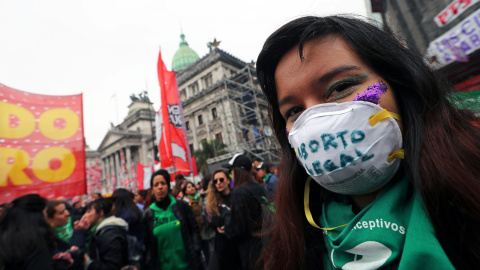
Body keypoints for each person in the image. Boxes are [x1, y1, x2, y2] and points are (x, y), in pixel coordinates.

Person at [255, 15, 480, 269]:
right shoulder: (289, 242)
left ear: (400, 82)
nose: (316, 122)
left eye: (341, 87)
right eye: (294, 111)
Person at [0, 194, 81, 270]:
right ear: (35, 217)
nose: (46, 217)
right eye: (45, 213)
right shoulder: (36, 247)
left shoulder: (9, 242)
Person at [143, 169, 204, 270]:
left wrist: (196, 250)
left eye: (163, 183)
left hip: (188, 265)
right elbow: (148, 246)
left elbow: (194, 231)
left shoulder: (182, 207)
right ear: (152, 190)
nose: (160, 187)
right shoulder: (148, 215)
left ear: (168, 186)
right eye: (156, 184)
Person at [220, 154, 267, 270]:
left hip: (251, 251)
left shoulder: (239, 193)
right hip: (266, 245)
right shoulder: (259, 187)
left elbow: (237, 229)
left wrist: (226, 218)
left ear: (237, 171)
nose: (231, 175)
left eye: (231, 171)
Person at [74, 198, 129, 270]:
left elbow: (112, 267)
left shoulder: (109, 234)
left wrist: (89, 263)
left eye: (88, 212)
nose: (84, 216)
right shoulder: (95, 230)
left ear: (101, 213)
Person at [205, 169, 240, 270]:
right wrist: (217, 225)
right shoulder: (212, 201)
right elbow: (210, 222)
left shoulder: (236, 197)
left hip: (237, 245)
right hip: (222, 247)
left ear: (228, 180)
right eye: (215, 181)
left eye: (221, 179)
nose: (218, 183)